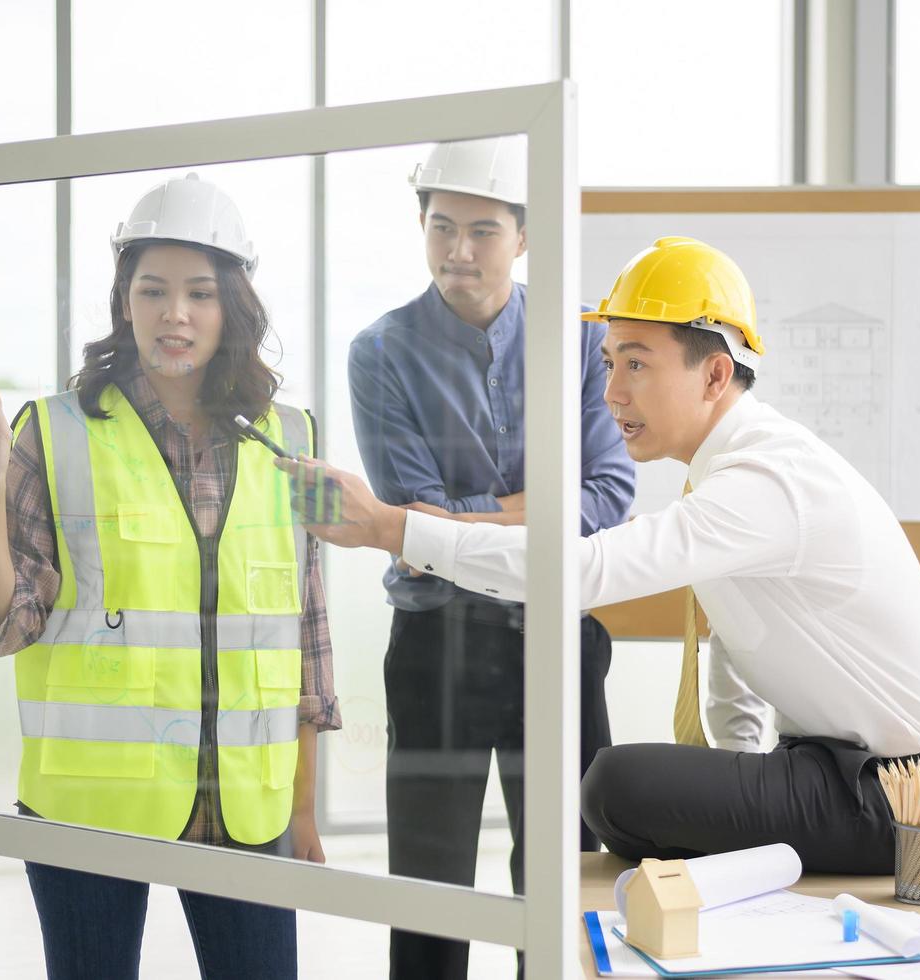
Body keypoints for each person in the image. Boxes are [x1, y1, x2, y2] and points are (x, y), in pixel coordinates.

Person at [287, 236, 920, 876]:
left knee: (616, 785)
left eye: (637, 365)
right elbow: (739, 659)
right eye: (608, 363)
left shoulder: (767, 479)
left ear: (715, 376)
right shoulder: (730, 470)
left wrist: (390, 528)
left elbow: (583, 570)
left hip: (912, 797)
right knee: (632, 791)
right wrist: (738, 784)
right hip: (835, 770)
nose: (613, 392)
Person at [0, 173, 338, 980]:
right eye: (154, 290)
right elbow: (6, 624)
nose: (176, 314)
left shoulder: (296, 436)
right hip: (89, 806)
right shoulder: (51, 431)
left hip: (246, 801)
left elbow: (307, 627)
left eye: (200, 293)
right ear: (124, 301)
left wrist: (303, 806)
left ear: (231, 306)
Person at [346, 136, 634, 978]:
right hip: (438, 644)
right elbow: (413, 521)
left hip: (556, 634)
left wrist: (451, 522)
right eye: (441, 227)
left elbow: (607, 499)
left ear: (524, 236)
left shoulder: (582, 342)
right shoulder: (382, 352)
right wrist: (528, 508)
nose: (458, 251)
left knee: (566, 875)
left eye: (482, 231)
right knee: (429, 886)